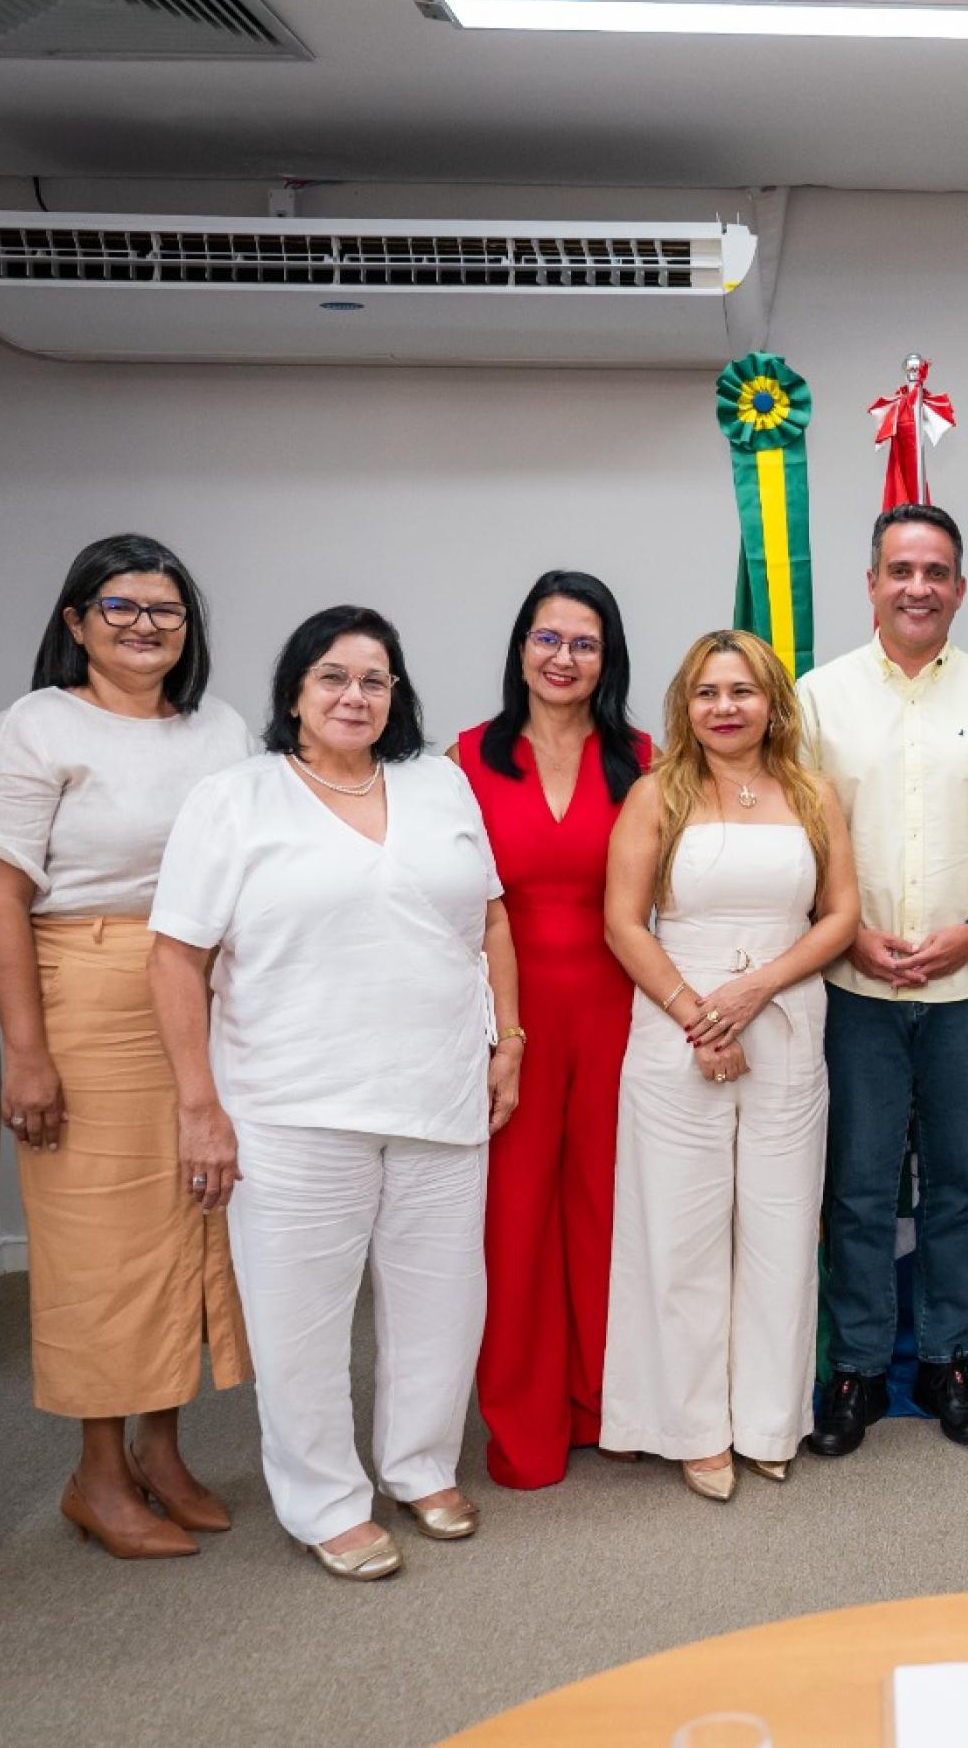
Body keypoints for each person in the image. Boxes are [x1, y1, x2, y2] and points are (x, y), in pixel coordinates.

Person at [148, 606, 520, 1582]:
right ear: (296, 691)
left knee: (443, 1303)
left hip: (440, 1089)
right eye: (334, 676)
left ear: (397, 694)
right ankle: (324, 1500)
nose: (356, 695)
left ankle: (421, 1465)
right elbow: (175, 957)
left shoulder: (437, 782)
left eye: (375, 679)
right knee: (301, 1321)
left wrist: (508, 1040)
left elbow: (490, 920)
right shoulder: (236, 798)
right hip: (293, 1105)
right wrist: (198, 1104)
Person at [0, 534, 252, 1561]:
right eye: (120, 607)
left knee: (193, 1223)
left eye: (164, 610)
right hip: (85, 990)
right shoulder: (38, 724)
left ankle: (160, 1452)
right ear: (76, 621)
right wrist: (26, 1050)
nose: (144, 625)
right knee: (100, 1245)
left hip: (205, 989)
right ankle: (96, 1473)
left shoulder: (220, 728)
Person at [798, 504, 968, 1456]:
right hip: (853, 984)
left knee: (954, 1179)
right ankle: (860, 1366)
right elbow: (793, 830)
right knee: (860, 1183)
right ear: (871, 583)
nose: (918, 586)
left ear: (960, 587)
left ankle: (949, 1358)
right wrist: (847, 934)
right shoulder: (817, 700)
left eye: (936, 571)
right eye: (901, 570)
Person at [600, 631, 859, 1497]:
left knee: (782, 1228)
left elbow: (840, 915)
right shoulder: (656, 794)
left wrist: (757, 989)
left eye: (742, 690)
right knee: (682, 1233)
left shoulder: (813, 793)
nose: (725, 707)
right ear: (687, 704)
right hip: (675, 1026)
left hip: (785, 1020)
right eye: (707, 692)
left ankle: (769, 1419)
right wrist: (700, 1018)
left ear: (772, 702)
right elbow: (623, 922)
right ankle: (691, 1426)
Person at [454, 571, 653, 1491]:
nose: (563, 657)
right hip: (511, 1019)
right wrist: (494, 1032)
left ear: (607, 659)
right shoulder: (465, 758)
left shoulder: (644, 759)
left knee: (610, 1212)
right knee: (516, 1224)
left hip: (619, 1013)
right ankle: (525, 1425)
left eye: (584, 642)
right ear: (520, 647)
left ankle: (608, 1403)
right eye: (547, 638)